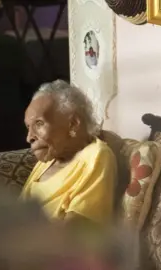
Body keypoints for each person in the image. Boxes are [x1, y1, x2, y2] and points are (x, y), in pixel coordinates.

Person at [20, 80, 117, 227]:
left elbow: (75, 230)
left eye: (39, 124)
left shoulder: (96, 156)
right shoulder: (47, 161)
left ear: (73, 124)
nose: (29, 137)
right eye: (28, 127)